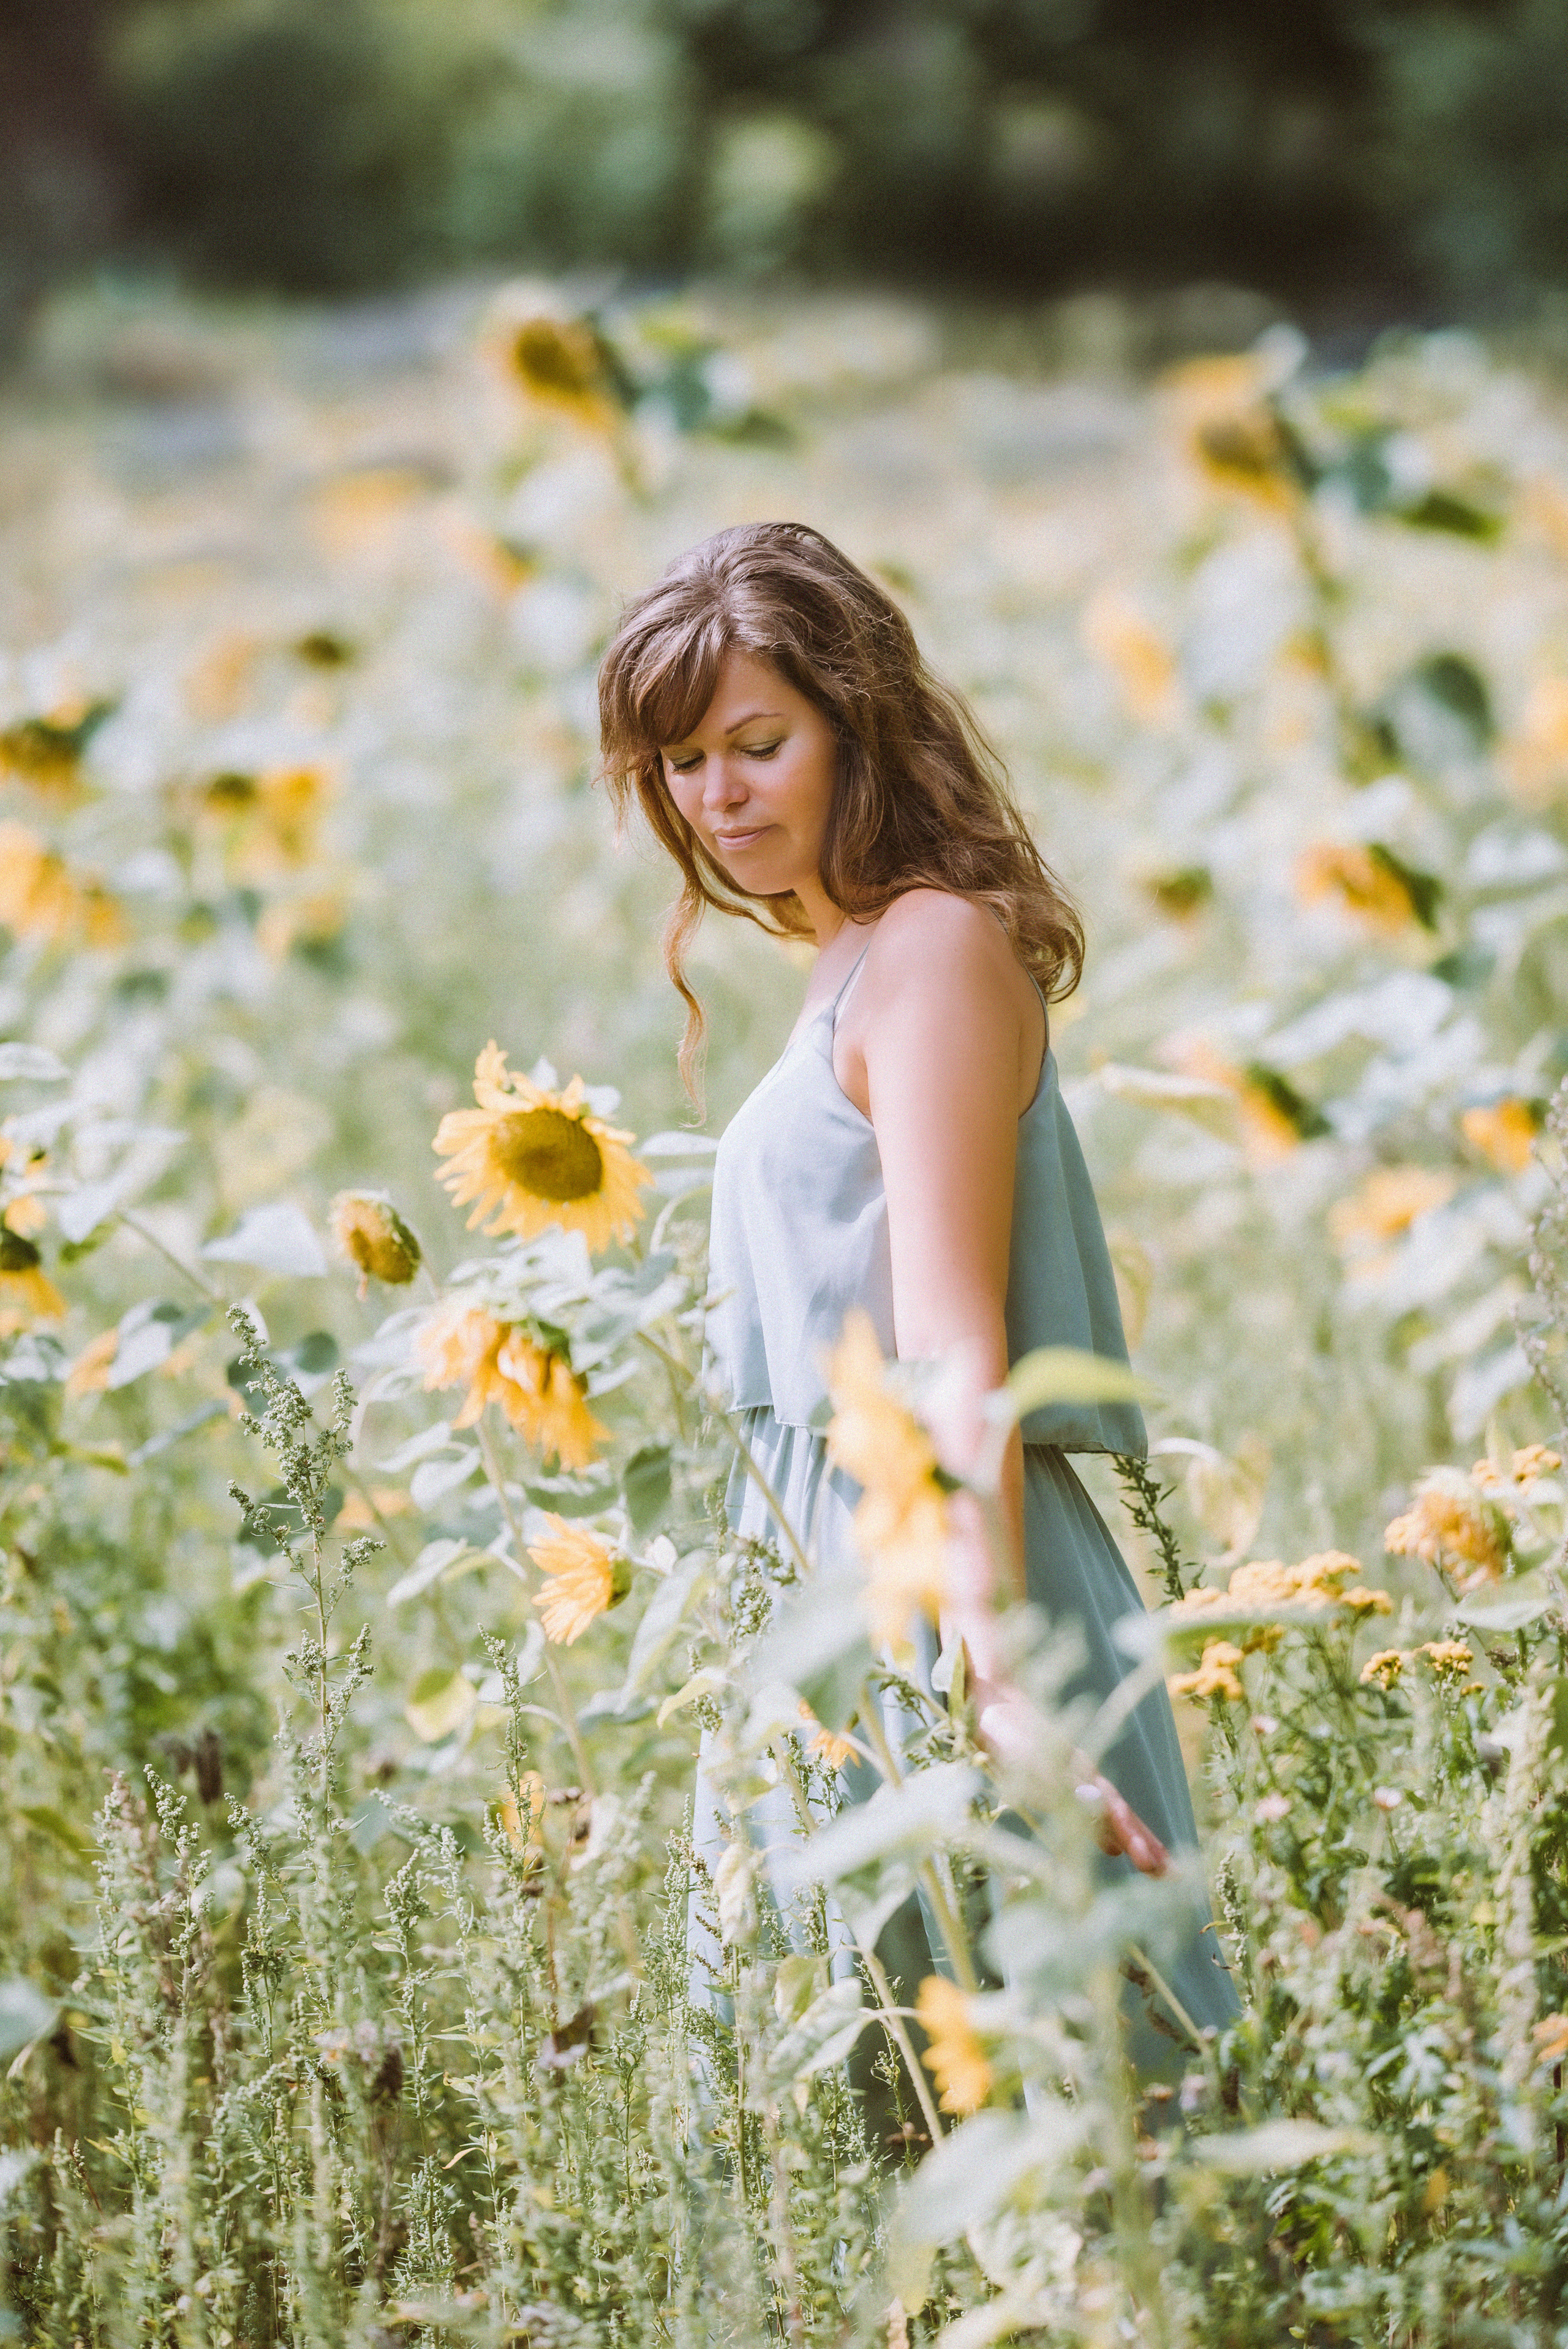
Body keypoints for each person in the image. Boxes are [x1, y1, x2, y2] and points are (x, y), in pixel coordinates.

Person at [597, 520, 1238, 2059]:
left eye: (755, 744)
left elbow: (955, 1344)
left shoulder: (933, 950)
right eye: (681, 764)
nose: (717, 798)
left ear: (854, 725)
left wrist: (999, 1675)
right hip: (829, 1582)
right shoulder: (849, 964)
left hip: (941, 1582)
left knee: (1057, 2100)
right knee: (842, 2114)